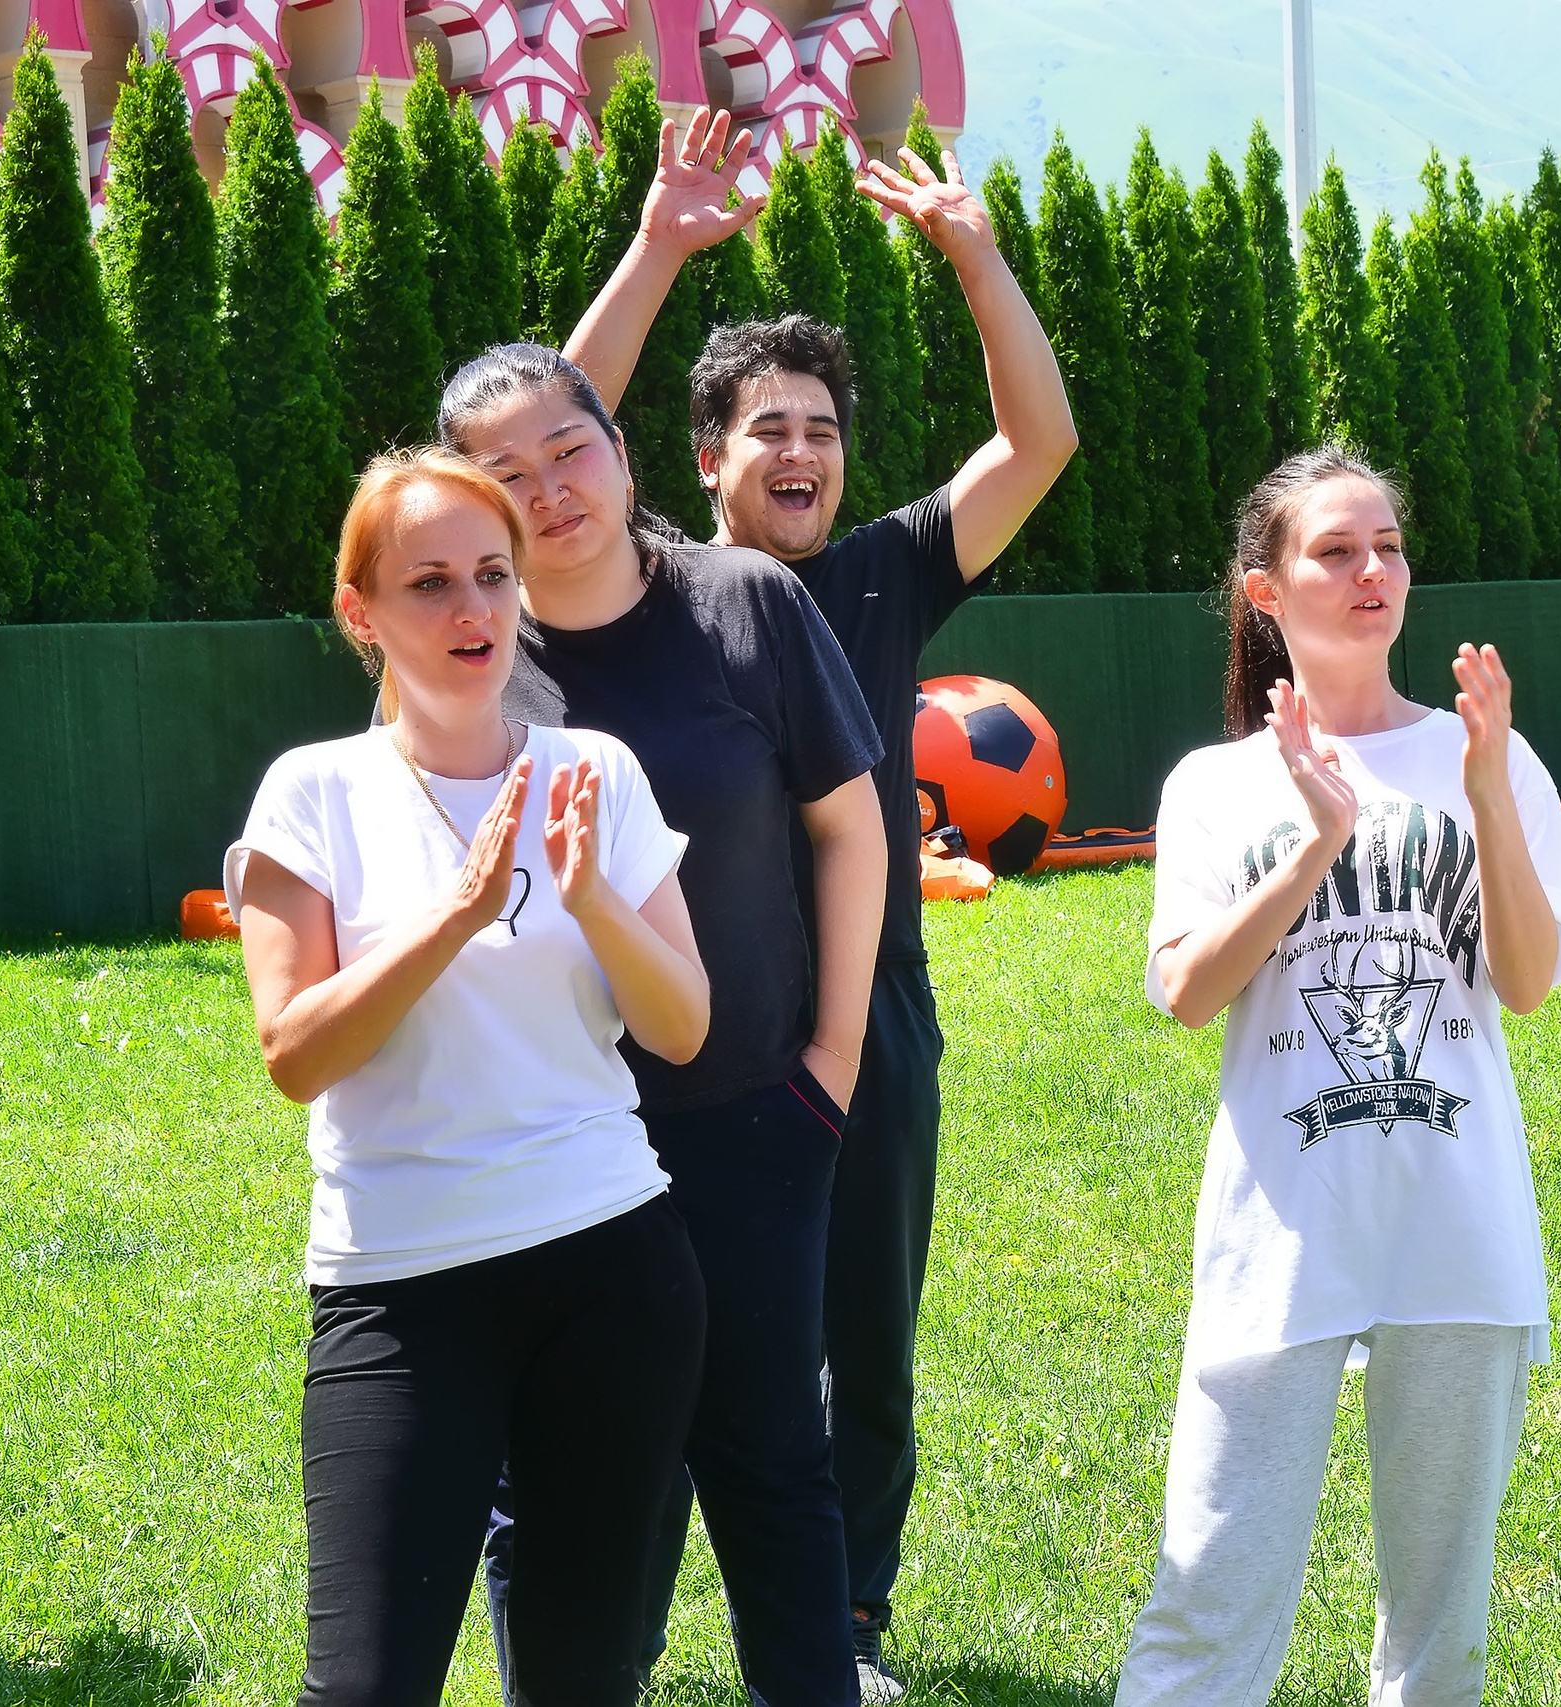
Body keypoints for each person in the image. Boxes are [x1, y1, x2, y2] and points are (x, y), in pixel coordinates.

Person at [562, 107, 1077, 1697]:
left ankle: (844, 1625)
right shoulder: (641, 584)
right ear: (703, 457)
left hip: (870, 1033)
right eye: (765, 428)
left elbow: (1038, 443)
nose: (799, 453)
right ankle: (618, 1632)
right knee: (649, 1343)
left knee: (865, 1334)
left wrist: (980, 260)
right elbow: (543, 430)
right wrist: (659, 245)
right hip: (661, 1038)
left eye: (821, 429)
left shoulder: (881, 574)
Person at [437, 335, 889, 1706]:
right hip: (557, 1140)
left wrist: (831, 1067)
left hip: (755, 1115)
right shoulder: (470, 659)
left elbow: (853, 832)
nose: (550, 487)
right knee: (561, 1478)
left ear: (622, 450)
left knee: (769, 1460)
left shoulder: (745, 601)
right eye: (503, 473)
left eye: (568, 447)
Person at [226, 447, 713, 1705]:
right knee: (365, 1685)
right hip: (401, 1290)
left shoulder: (594, 773)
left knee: (578, 1682)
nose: (472, 612)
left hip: (611, 1265)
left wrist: (596, 896)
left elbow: (682, 1028)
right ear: (362, 613)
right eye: (431, 583)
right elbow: (296, 1055)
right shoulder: (311, 795)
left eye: (493, 577)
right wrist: (449, 915)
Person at [1116, 446, 1561, 1707]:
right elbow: (1185, 992)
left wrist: (1488, 791)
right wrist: (1316, 839)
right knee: (1209, 1587)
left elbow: (1529, 980)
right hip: (1280, 1232)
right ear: (1265, 591)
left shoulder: (1486, 753)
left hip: (1456, 1224)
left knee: (1438, 1628)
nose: (1372, 570)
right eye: (1335, 551)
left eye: (1386, 545)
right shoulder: (1217, 787)